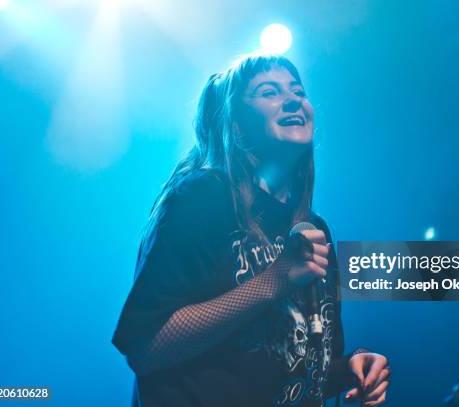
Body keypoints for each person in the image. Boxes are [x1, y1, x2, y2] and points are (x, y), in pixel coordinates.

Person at [111, 54, 390, 407]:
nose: (293, 100)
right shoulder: (201, 198)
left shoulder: (314, 229)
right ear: (237, 125)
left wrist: (350, 368)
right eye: (269, 92)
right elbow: (145, 347)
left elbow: (301, 368)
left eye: (298, 91)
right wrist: (274, 279)